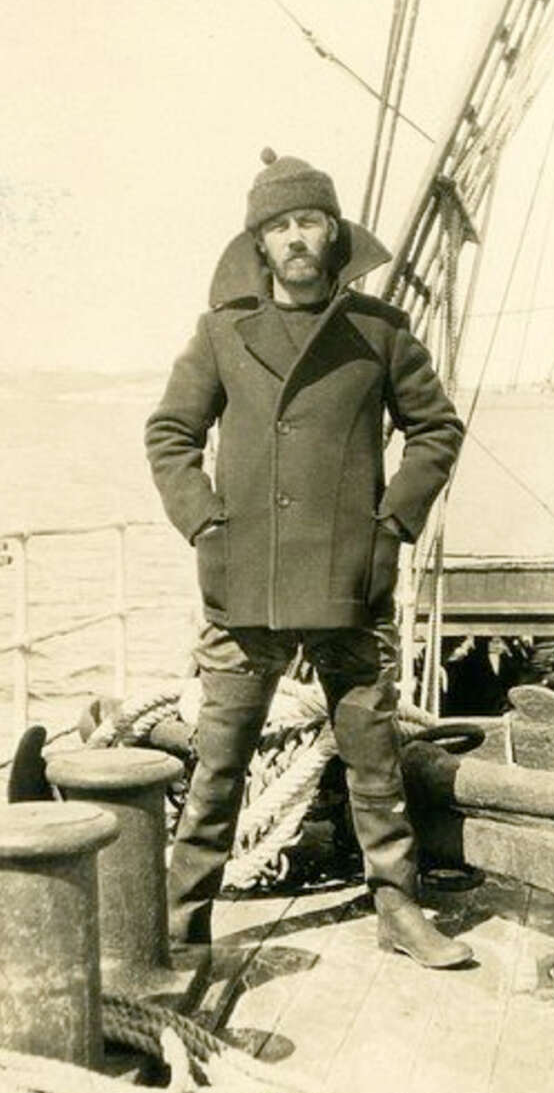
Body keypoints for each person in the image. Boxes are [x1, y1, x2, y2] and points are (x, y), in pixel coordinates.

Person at [145, 148, 472, 969]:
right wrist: (206, 527)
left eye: (309, 223)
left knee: (372, 756)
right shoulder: (221, 334)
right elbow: (171, 435)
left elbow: (436, 429)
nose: (295, 239)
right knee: (218, 764)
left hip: (348, 579)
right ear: (260, 244)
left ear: (334, 236)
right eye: (279, 226)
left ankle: (399, 910)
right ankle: (181, 926)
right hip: (244, 581)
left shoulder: (380, 333)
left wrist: (391, 525)